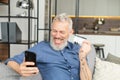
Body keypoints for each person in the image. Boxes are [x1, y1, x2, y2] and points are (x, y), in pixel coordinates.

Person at [5, 13, 92, 80]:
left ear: (70, 32)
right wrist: (20, 69)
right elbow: (10, 61)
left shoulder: (77, 49)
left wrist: (82, 57)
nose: (57, 36)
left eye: (62, 32)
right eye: (54, 31)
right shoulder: (41, 48)